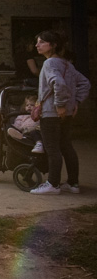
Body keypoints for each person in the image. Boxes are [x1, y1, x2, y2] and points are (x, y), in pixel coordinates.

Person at [30, 30, 90, 195]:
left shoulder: (49, 64)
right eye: (37, 42)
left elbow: (59, 83)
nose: (37, 45)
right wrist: (76, 102)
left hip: (51, 113)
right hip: (67, 113)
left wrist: (60, 104)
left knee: (52, 148)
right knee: (66, 146)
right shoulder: (67, 64)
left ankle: (53, 184)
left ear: (53, 45)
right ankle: (73, 184)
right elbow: (85, 83)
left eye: (42, 42)